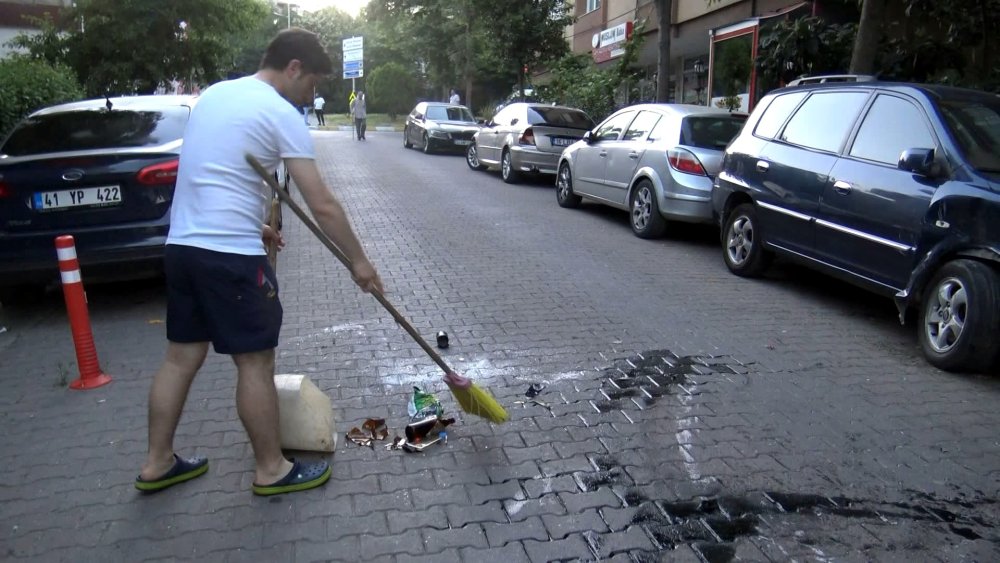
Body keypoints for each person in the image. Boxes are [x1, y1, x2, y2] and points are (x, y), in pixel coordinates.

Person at [135, 28, 383, 496]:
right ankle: (271, 469)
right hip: (230, 259)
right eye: (311, 84)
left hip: (183, 247)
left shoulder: (215, 95)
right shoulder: (280, 112)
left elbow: (215, 172)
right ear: (293, 68)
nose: (310, 95)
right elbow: (321, 203)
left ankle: (157, 463)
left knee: (181, 357)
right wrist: (359, 261)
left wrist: (256, 225)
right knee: (255, 362)